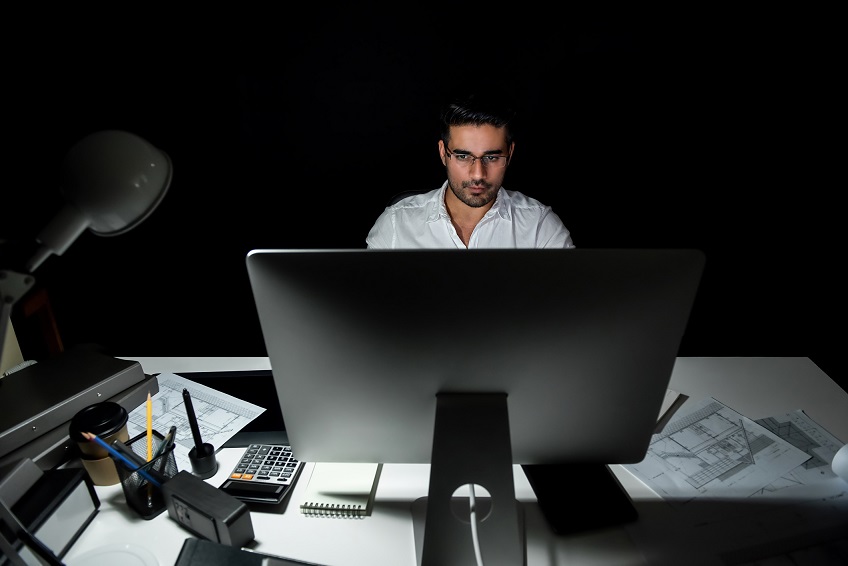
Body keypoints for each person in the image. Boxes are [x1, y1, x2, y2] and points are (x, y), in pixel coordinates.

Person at [366, 92, 575, 249]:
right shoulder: (396, 225)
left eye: (491, 157)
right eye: (463, 156)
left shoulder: (539, 226)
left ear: (510, 154)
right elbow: (367, 302)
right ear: (442, 152)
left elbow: (570, 303)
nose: (478, 174)